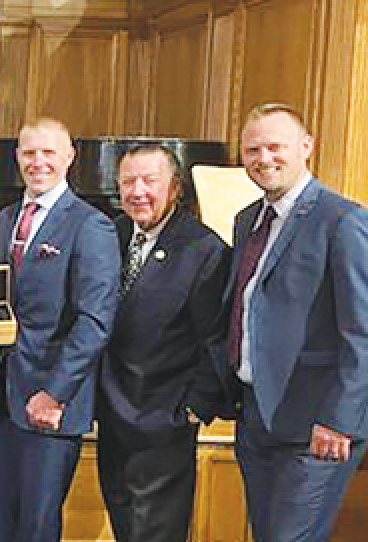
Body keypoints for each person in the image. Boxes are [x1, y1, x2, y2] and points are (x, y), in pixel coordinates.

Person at [0, 117, 120, 542]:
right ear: (17, 158)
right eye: (29, 152)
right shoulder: (5, 219)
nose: (38, 162)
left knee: (35, 527)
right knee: (2, 523)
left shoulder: (91, 225)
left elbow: (95, 321)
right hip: (5, 396)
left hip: (51, 403)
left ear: (69, 158)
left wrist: (54, 392)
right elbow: (7, 302)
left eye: (49, 152)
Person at [226, 103, 368, 541]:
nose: (263, 158)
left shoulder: (342, 220)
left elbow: (363, 333)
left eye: (275, 147)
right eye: (252, 150)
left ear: (306, 147)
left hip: (317, 427)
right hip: (256, 419)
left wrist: (339, 420)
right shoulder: (246, 220)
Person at [94, 143, 230, 542]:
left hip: (163, 422)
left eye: (149, 181)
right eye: (127, 182)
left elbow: (216, 338)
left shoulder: (205, 250)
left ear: (175, 187)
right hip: (112, 415)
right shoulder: (111, 234)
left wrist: (192, 409)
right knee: (123, 525)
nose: (138, 192)